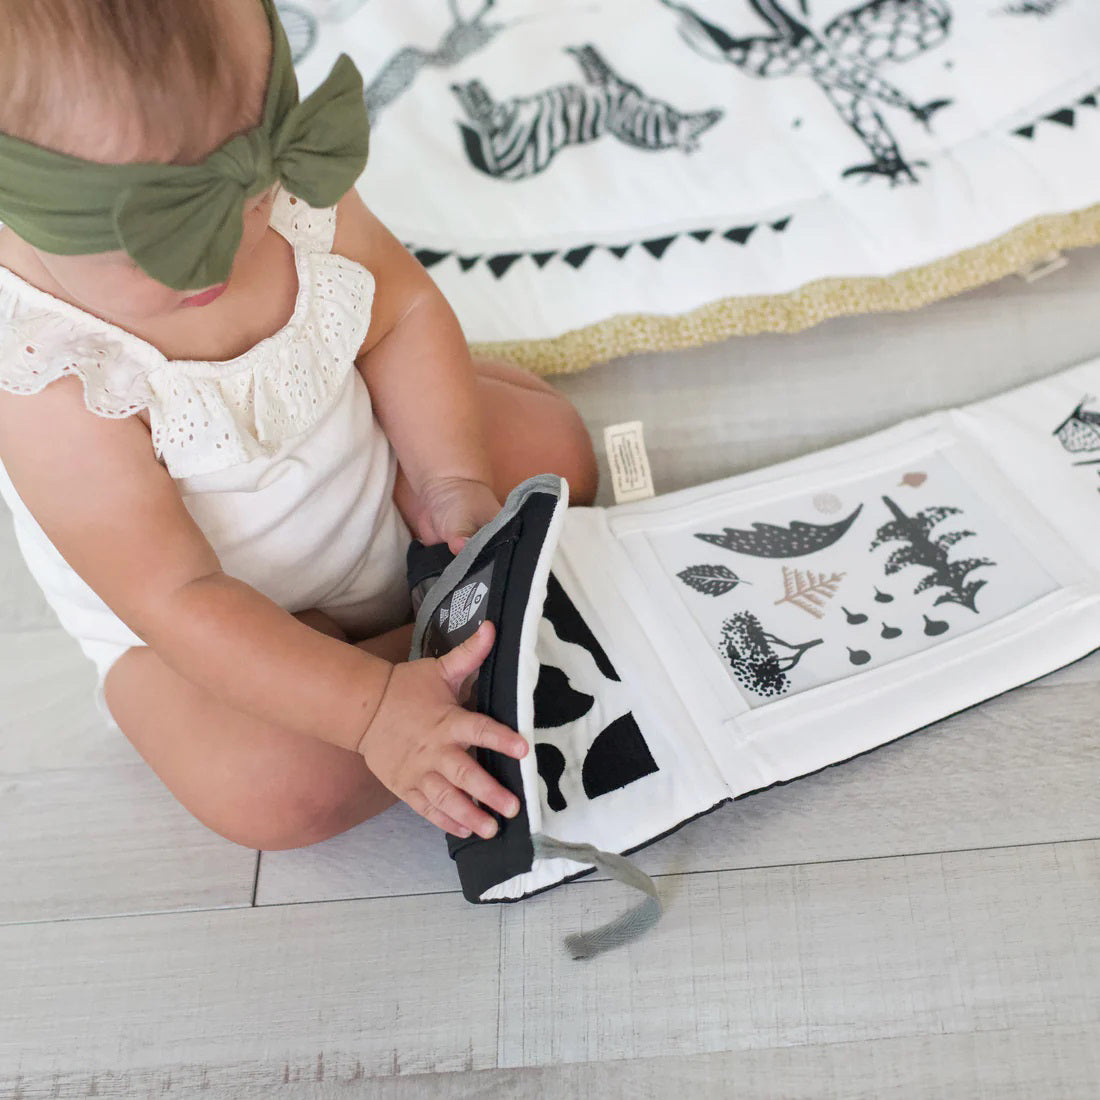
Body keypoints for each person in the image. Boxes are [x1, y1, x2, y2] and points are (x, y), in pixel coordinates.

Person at [0, 0, 597, 851]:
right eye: (167, 240)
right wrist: (370, 711)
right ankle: (447, 653)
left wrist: (449, 478)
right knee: (270, 792)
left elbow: (401, 314)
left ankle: (442, 640)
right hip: (212, 625)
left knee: (557, 450)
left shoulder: (286, 195)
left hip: (368, 485)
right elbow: (178, 598)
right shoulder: (46, 374)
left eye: (252, 195)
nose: (233, 246)